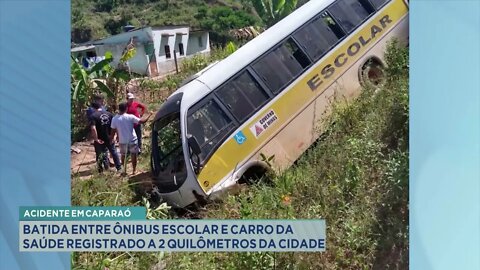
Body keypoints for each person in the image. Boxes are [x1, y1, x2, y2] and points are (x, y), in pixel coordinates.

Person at [110, 102, 150, 176]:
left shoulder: (114, 119)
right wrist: (148, 116)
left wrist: (111, 139)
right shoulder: (130, 117)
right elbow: (141, 121)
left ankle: (124, 170)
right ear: (126, 109)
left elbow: (112, 131)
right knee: (133, 155)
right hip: (132, 139)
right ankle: (134, 171)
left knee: (123, 155)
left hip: (122, 140)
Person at [89, 101, 122, 173]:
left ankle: (101, 170)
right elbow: (114, 126)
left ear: (93, 108)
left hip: (100, 139)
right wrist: (116, 136)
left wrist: (96, 139)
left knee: (100, 154)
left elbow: (93, 128)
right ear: (101, 106)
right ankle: (119, 168)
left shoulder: (93, 116)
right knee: (113, 152)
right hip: (109, 137)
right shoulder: (109, 114)